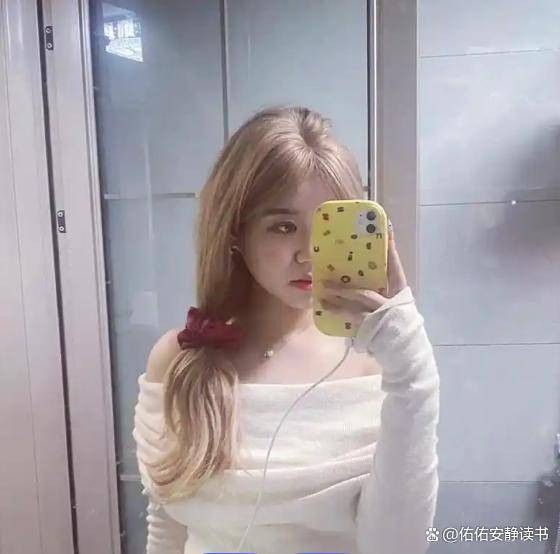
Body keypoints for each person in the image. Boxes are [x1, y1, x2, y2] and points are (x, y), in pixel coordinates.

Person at [133, 105, 440, 554]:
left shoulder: (379, 363)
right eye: (283, 226)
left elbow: (397, 547)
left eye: (329, 227)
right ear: (234, 232)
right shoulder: (180, 358)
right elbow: (166, 527)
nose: (309, 253)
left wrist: (412, 364)